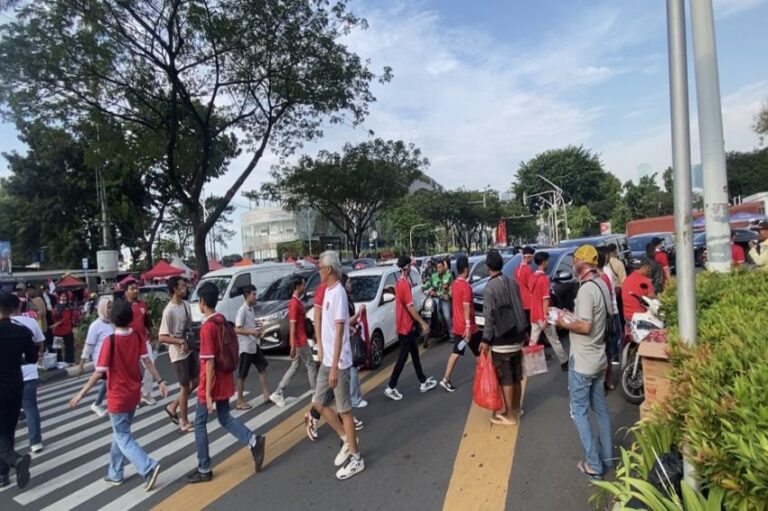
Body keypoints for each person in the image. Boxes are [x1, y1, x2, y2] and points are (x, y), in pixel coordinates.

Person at [69, 299, 168, 490]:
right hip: (133, 394)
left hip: (117, 396)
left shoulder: (111, 341)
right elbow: (147, 362)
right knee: (121, 433)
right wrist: (160, 381)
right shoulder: (137, 337)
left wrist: (80, 395)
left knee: (123, 436)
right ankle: (115, 473)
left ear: (113, 320)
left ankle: (148, 467)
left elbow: (99, 373)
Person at [185, 282, 266, 483]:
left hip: (211, 382)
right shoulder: (222, 321)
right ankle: (253, 440)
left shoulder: (207, 328)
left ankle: (204, 467)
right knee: (224, 417)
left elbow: (209, 361)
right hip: (225, 378)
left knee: (200, 423)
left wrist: (208, 393)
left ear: (202, 302)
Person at [555, 245, 613, 479]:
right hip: (599, 359)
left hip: (583, 363)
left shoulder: (587, 290)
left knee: (578, 412)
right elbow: (596, 319)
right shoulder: (602, 284)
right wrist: (571, 316)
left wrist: (562, 321)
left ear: (584, 263)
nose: (573, 263)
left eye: (576, 259)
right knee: (601, 410)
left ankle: (594, 464)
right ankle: (607, 458)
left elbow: (585, 326)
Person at [311, 251, 365, 480]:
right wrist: (322, 348)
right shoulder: (328, 292)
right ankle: (346, 439)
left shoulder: (339, 293)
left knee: (344, 410)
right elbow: (325, 326)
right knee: (318, 403)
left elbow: (341, 330)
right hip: (327, 360)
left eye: (320, 267)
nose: (318, 271)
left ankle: (356, 457)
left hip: (339, 362)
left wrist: (334, 366)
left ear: (329, 270)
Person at [480, 251, 528, 426]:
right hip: (518, 335)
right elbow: (520, 307)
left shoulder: (490, 288)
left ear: (488, 267)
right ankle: (516, 408)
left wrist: (485, 340)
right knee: (516, 375)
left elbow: (489, 317)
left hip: (502, 340)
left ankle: (509, 414)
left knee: (505, 376)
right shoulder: (512, 282)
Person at [385, 255, 437, 401]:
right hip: (406, 326)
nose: (411, 267)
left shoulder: (400, 282)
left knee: (414, 354)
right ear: (407, 267)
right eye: (410, 265)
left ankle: (422, 381)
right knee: (402, 358)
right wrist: (423, 323)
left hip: (404, 325)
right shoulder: (404, 284)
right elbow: (410, 307)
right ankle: (391, 386)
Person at [0, 292, 37, 489]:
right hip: (15, 384)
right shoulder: (21, 331)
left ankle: (15, 460)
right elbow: (32, 358)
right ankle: (3, 474)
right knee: (7, 429)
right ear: (15, 309)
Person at [271, 276, 316, 407]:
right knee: (311, 365)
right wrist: (292, 345)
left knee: (295, 366)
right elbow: (292, 325)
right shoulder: (294, 303)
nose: (305, 286)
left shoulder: (296, 302)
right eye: (303, 284)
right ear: (297, 286)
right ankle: (316, 393)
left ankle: (278, 392)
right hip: (299, 341)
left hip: (299, 340)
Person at [159, 276, 196, 433]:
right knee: (185, 385)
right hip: (178, 353)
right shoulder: (169, 311)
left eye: (185, 285)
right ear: (174, 289)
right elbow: (162, 337)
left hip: (189, 349)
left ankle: (173, 406)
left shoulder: (186, 305)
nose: (185, 288)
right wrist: (180, 342)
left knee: (196, 380)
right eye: (182, 286)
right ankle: (184, 420)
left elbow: (189, 327)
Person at [10, 296, 46, 454]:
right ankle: (36, 442)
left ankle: (8, 444)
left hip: (9, 374)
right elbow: (40, 342)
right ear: (19, 307)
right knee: (31, 406)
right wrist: (39, 356)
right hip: (30, 371)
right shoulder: (30, 322)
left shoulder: (4, 325)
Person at [440, 255, 480, 392]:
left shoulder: (455, 284)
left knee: (456, 352)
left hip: (458, 326)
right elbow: (466, 306)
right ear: (465, 269)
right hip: (468, 328)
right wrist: (468, 326)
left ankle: (446, 379)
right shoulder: (465, 286)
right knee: (481, 353)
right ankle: (484, 379)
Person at [528, 252, 569, 371]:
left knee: (533, 340)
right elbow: (545, 299)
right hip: (543, 314)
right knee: (554, 339)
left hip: (534, 313)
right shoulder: (544, 279)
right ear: (544, 262)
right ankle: (564, 361)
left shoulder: (532, 277)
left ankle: (530, 364)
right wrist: (545, 316)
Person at [234, 285, 272, 408]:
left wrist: (257, 329)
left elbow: (249, 325)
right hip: (246, 348)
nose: (255, 297)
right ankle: (239, 401)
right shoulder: (242, 310)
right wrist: (252, 332)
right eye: (253, 294)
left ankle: (266, 394)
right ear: (247, 295)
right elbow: (237, 329)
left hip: (254, 345)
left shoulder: (251, 309)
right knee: (242, 375)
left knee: (262, 367)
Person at [79, 297, 114, 418]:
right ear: (102, 308)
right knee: (108, 382)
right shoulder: (95, 325)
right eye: (108, 307)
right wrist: (82, 363)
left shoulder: (113, 323)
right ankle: (100, 404)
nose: (111, 309)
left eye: (111, 307)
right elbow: (88, 345)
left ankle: (102, 404)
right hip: (101, 360)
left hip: (113, 359)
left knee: (107, 383)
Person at [125, 281, 156, 407]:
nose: (135, 291)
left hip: (143, 340)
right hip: (129, 342)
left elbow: (147, 322)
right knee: (132, 370)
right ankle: (133, 397)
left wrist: (152, 334)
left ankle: (146, 393)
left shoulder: (143, 304)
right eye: (132, 289)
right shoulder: (123, 306)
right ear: (126, 292)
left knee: (151, 364)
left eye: (137, 288)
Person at [597, 248, 619, 391]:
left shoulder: (603, 276)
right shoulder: (603, 274)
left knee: (605, 352)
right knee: (606, 352)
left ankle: (604, 382)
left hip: (606, 317)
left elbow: (605, 301)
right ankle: (606, 381)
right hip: (609, 316)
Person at [423, 257, 453, 346]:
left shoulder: (449, 276)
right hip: (435, 299)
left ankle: (452, 334)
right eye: (437, 267)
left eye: (440, 267)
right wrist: (423, 288)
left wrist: (447, 295)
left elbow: (451, 290)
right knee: (425, 311)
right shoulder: (433, 276)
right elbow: (428, 285)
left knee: (447, 316)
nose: (439, 269)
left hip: (444, 299)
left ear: (444, 267)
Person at [51, 291, 76, 364]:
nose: (63, 298)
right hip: (58, 331)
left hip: (67, 329)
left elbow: (67, 318)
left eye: (65, 296)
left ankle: (70, 360)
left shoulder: (69, 306)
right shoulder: (56, 306)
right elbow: (53, 317)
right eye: (62, 296)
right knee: (57, 347)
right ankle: (58, 361)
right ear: (59, 297)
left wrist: (57, 324)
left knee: (69, 346)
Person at [515, 247, 535, 325]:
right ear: (528, 257)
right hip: (528, 302)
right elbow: (531, 286)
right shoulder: (528, 270)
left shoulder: (517, 268)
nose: (532, 260)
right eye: (532, 258)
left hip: (520, 300)